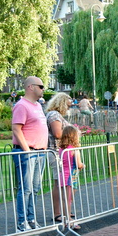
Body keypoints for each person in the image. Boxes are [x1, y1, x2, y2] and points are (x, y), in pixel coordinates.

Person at [12, 76, 48, 232]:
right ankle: (22, 222)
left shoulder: (38, 106)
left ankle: (31, 219)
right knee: (25, 188)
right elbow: (16, 129)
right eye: (41, 86)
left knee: (35, 188)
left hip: (40, 152)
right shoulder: (21, 105)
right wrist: (27, 150)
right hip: (28, 152)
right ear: (30, 87)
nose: (43, 89)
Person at [46, 93, 73, 223]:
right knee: (59, 182)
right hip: (56, 153)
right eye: (68, 105)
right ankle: (58, 213)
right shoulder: (54, 115)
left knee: (63, 182)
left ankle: (65, 210)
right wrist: (72, 134)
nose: (69, 108)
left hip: (61, 153)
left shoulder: (57, 116)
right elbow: (57, 133)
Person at [58, 126, 85, 230]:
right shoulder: (74, 150)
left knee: (64, 199)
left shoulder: (61, 149)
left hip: (62, 176)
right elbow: (78, 164)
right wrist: (83, 165)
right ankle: (69, 219)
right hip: (71, 177)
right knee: (69, 200)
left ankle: (66, 218)